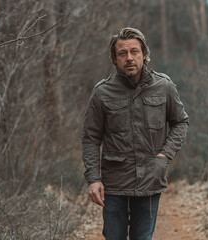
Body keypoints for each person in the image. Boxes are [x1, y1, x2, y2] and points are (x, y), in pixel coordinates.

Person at [81, 27, 189, 240]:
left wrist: (164, 157)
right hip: (114, 185)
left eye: (134, 51)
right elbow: (91, 137)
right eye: (122, 53)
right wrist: (93, 179)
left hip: (150, 181)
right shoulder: (102, 92)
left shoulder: (164, 86)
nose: (129, 58)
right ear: (114, 58)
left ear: (144, 54)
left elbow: (180, 123)